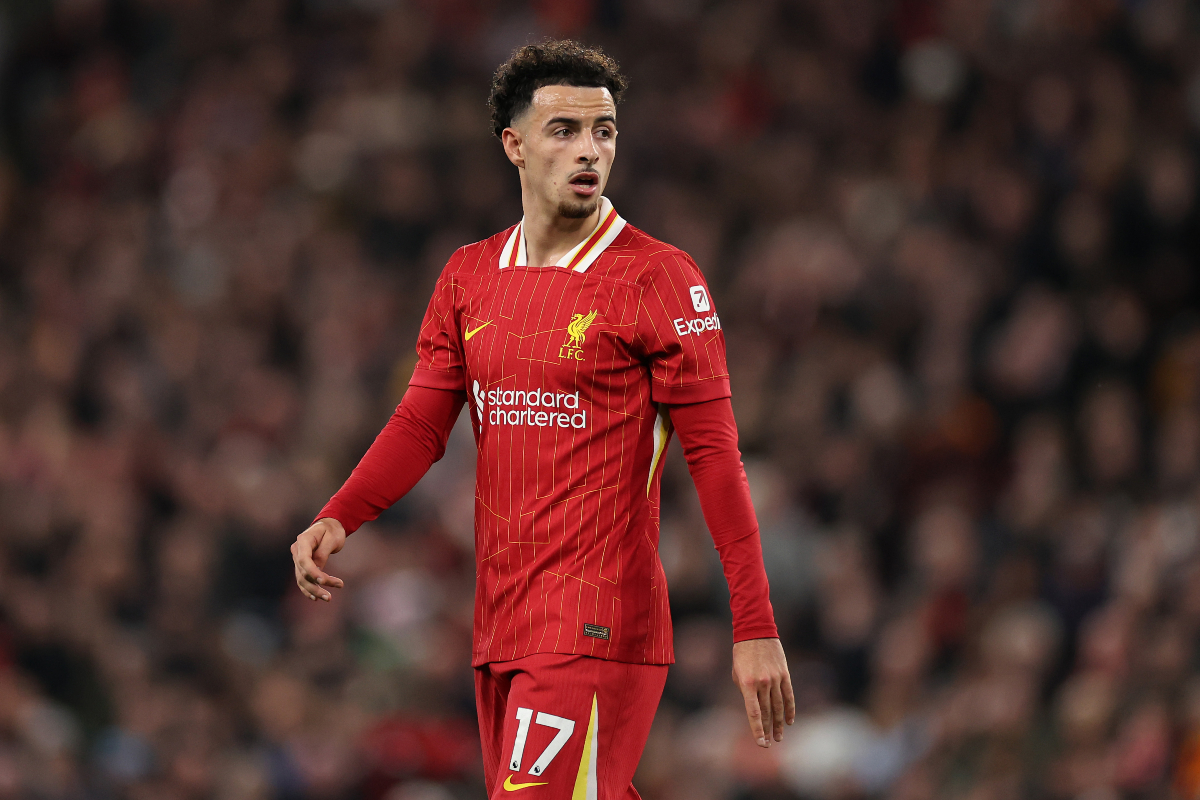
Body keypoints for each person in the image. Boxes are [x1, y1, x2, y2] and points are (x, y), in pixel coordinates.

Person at [290, 40, 793, 800]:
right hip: (502, 623)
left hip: (597, 622)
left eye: (605, 130)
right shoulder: (468, 274)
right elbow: (423, 425)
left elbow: (717, 459)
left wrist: (754, 625)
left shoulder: (659, 279)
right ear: (514, 145)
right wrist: (342, 514)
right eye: (565, 130)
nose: (590, 149)